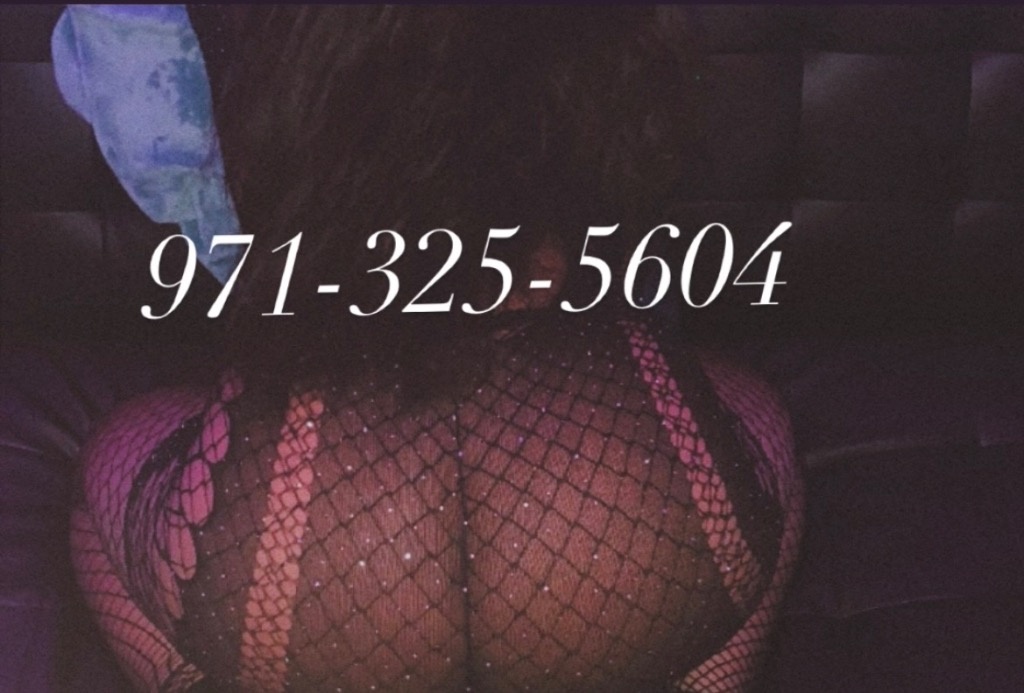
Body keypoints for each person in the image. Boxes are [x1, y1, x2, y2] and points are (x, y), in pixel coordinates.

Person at [67, 6, 803, 691]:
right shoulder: (604, 53)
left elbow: (159, 151)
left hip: (298, 570)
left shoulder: (238, 53)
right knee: (757, 427)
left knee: (111, 462)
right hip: (627, 529)